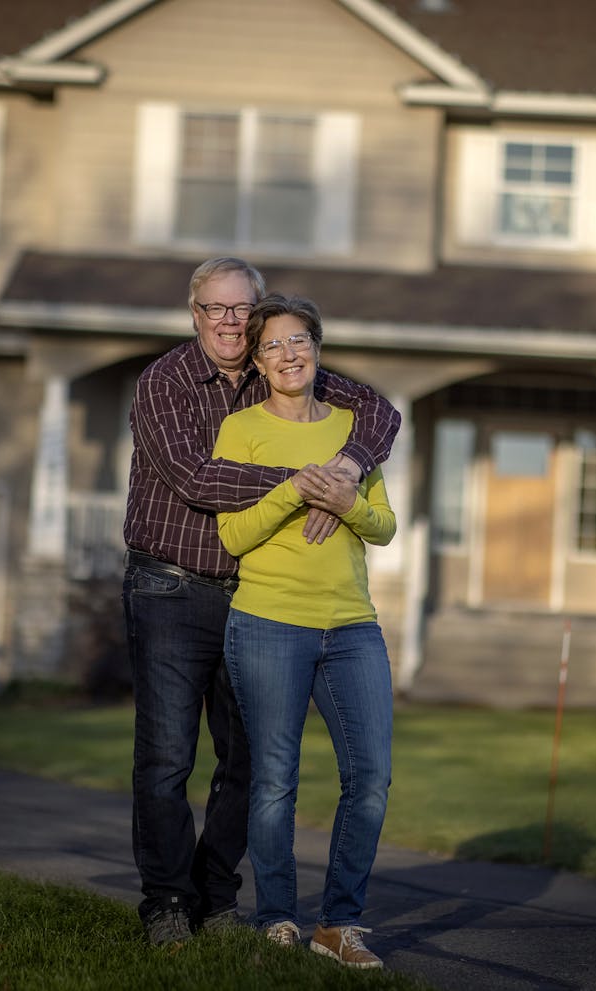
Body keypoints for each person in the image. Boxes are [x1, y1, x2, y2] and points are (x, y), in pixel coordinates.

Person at [122, 258, 400, 947]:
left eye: (241, 309)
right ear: (194, 314)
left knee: (246, 762)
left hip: (249, 598)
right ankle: (165, 901)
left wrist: (351, 461)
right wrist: (314, 476)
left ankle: (216, 895)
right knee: (165, 757)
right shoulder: (165, 381)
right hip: (172, 585)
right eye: (215, 308)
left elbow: (381, 412)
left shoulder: (276, 363)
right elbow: (195, 476)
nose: (230, 321)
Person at [213, 293, 396, 969]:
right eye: (273, 346)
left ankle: (339, 924)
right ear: (257, 363)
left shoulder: (355, 432)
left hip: (351, 625)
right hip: (267, 622)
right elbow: (232, 532)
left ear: (318, 349)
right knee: (274, 780)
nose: (288, 355)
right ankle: (278, 917)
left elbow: (384, 525)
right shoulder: (243, 430)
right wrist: (296, 490)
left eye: (300, 342)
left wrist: (346, 499)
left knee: (371, 777)